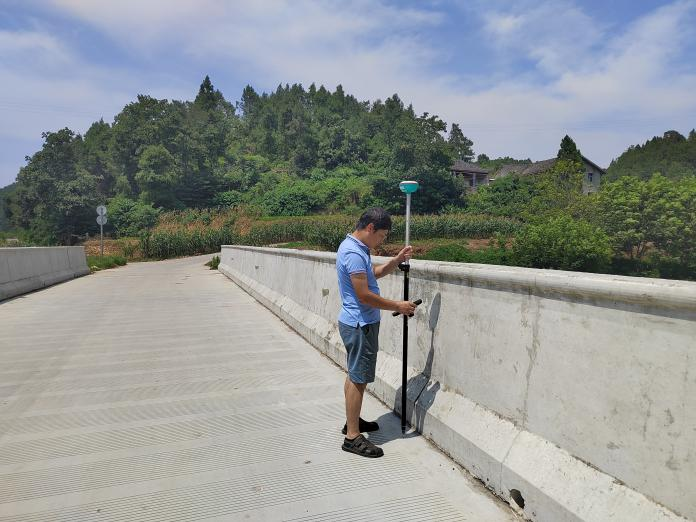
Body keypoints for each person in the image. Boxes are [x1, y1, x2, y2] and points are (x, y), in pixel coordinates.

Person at [336, 208, 417, 458]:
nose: (381, 240)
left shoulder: (356, 247)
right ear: (370, 228)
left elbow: (372, 275)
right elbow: (364, 295)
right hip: (360, 324)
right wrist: (398, 306)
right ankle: (352, 437)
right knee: (358, 378)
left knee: (355, 374)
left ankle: (352, 422)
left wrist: (396, 260)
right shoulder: (353, 253)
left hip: (356, 322)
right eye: (381, 235)